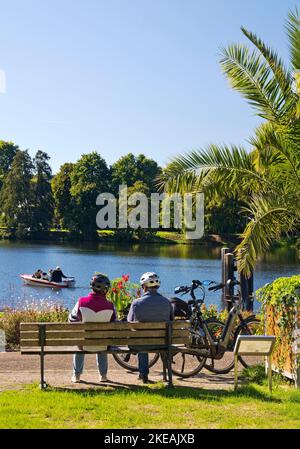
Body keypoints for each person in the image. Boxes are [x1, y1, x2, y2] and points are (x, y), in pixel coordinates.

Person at [68, 273, 117, 383]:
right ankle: (103, 376)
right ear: (106, 289)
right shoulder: (110, 305)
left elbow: (71, 320)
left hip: (84, 344)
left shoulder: (81, 301)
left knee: (80, 340)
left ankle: (76, 375)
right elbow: (115, 323)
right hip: (103, 344)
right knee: (103, 340)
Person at [127, 272, 173, 384]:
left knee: (141, 339)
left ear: (144, 287)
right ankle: (168, 375)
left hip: (142, 342)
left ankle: (143, 374)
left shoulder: (136, 303)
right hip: (163, 343)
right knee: (154, 337)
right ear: (157, 286)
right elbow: (172, 321)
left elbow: (129, 322)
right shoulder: (167, 302)